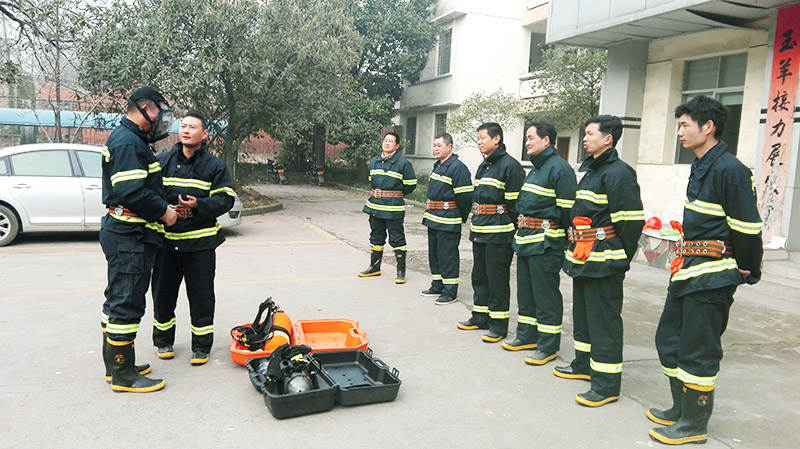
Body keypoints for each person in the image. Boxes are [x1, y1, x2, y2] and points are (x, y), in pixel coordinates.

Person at [648, 96, 762, 445]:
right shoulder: (701, 165)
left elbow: (747, 228)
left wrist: (748, 268)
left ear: (708, 127)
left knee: (698, 350)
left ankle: (694, 423)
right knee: (669, 340)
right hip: (688, 270)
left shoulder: (731, 170)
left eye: (685, 125)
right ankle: (680, 408)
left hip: (713, 276)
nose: (679, 132)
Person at [554, 115, 644, 407]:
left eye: (590, 133)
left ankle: (606, 384)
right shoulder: (592, 171)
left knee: (604, 321)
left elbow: (630, 223)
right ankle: (583, 364)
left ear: (608, 138)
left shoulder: (619, 173)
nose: (584, 138)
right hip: (585, 258)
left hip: (605, 262)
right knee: (583, 316)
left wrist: (619, 258)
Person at [99, 87, 177, 393]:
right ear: (145, 108)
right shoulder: (128, 142)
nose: (163, 118)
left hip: (128, 234)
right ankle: (123, 374)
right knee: (126, 304)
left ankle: (116, 366)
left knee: (117, 300)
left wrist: (166, 202)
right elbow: (131, 192)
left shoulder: (133, 140)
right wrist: (164, 212)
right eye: (161, 110)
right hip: (130, 236)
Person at [151, 112, 235, 365]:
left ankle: (201, 346)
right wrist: (163, 209)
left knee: (202, 297)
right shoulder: (161, 162)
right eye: (183, 126)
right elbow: (149, 193)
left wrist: (199, 205)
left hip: (201, 245)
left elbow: (226, 199)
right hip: (166, 244)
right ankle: (163, 341)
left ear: (204, 134)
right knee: (163, 295)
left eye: (192, 127)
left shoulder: (214, 166)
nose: (186, 130)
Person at [505, 121, 576, 366]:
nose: (527, 142)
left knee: (546, 297)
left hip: (546, 244)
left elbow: (568, 212)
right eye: (526, 138)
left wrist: (562, 240)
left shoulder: (560, 169)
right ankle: (526, 336)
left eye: (531, 137)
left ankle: (547, 345)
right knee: (526, 293)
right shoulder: (536, 168)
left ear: (546, 140)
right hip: (526, 240)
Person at [457, 122, 525, 343]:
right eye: (477, 138)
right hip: (480, 231)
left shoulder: (510, 166)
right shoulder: (484, 165)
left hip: (499, 234)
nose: (479, 142)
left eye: (482, 138)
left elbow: (515, 205)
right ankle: (480, 316)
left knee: (497, 280)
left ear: (496, 139)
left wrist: (514, 232)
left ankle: (498, 324)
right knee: (479, 276)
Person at [420, 133, 473, 305]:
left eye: (439, 146)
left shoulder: (457, 168)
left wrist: (460, 216)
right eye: (434, 146)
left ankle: (450, 292)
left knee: (447, 257)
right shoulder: (439, 165)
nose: (435, 149)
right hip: (433, 218)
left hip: (448, 221)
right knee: (434, 254)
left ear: (449, 147)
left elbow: (465, 197)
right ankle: (437, 285)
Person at [358, 132, 417, 283]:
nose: (387, 143)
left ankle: (401, 271)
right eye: (385, 140)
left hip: (393, 208)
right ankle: (374, 267)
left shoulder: (403, 163)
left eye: (391, 141)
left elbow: (410, 185)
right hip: (375, 206)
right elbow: (371, 181)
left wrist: (394, 194)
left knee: (397, 239)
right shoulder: (374, 161)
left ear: (397, 146)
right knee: (376, 237)